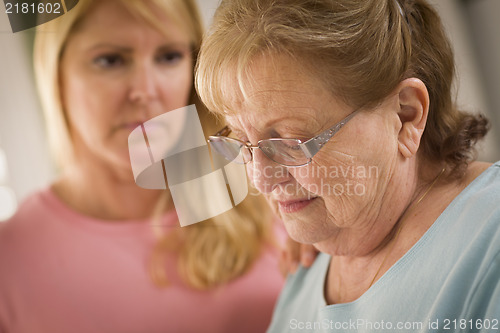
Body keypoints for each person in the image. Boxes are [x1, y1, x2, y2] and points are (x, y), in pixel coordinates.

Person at [195, 0, 500, 332]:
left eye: (290, 143)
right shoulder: (308, 264)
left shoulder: (488, 241)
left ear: (405, 115)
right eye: (241, 141)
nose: (261, 181)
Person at [0, 0, 286, 332]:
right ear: (57, 76)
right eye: (110, 60)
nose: (145, 91)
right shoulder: (10, 262)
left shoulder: (273, 190)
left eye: (169, 56)